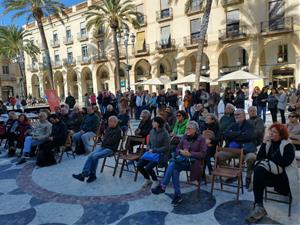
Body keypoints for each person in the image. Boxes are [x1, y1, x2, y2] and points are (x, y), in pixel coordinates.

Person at [246, 124, 299, 223]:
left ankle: (258, 203)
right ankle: (259, 206)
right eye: (270, 131)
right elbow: (259, 157)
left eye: (274, 132)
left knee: (259, 173)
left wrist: (268, 161)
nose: (271, 133)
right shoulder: (269, 143)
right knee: (258, 170)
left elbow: (284, 162)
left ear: (281, 134)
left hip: (284, 178)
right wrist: (264, 143)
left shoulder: (288, 146)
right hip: (272, 174)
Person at [151, 121, 207, 205]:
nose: (186, 130)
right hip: (182, 160)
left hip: (193, 163)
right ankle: (177, 194)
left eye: (189, 128)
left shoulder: (201, 138)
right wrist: (181, 152)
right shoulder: (184, 137)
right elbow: (177, 149)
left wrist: (190, 154)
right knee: (174, 169)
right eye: (186, 128)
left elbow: (203, 154)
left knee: (173, 165)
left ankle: (163, 186)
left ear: (195, 130)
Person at [72, 116, 122, 183]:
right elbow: (105, 138)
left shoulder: (118, 130)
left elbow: (111, 141)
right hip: (103, 147)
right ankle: (90, 175)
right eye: (108, 121)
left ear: (115, 122)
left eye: (110, 121)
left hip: (110, 149)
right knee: (90, 155)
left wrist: (104, 141)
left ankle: (86, 175)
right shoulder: (108, 128)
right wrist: (104, 141)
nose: (108, 123)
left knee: (94, 156)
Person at [218, 109, 257, 188]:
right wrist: (240, 134)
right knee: (218, 156)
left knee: (251, 158)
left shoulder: (249, 124)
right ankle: (232, 174)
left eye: (238, 114)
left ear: (244, 115)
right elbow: (225, 134)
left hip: (247, 150)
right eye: (235, 115)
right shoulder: (233, 124)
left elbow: (248, 136)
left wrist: (233, 136)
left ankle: (248, 177)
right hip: (234, 150)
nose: (236, 116)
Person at [137, 117, 170, 188]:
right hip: (151, 153)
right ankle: (147, 179)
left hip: (161, 155)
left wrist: (155, 150)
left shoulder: (165, 133)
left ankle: (155, 180)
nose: (152, 123)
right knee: (139, 165)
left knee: (148, 167)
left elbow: (166, 147)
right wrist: (148, 148)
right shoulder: (152, 131)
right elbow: (149, 143)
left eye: (154, 122)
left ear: (158, 123)